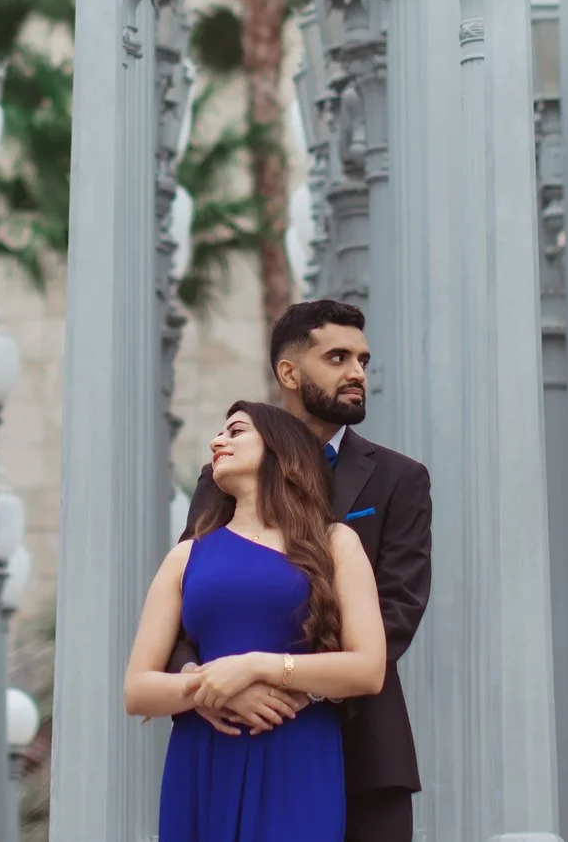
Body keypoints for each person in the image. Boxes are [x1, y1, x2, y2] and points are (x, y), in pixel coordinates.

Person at [176, 301, 433, 842]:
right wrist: (212, 688)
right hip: (239, 741)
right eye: (337, 357)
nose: (357, 373)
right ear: (288, 373)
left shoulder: (400, 478)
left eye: (363, 360)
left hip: (365, 748)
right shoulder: (223, 475)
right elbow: (188, 599)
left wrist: (293, 684)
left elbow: (398, 609)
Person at [125, 401, 387, 842]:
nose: (217, 441)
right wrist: (213, 692)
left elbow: (368, 668)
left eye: (236, 431)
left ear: (280, 450)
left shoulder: (336, 543)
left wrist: (257, 667)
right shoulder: (186, 556)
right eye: (220, 433)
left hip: (297, 754)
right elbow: (138, 690)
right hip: (202, 759)